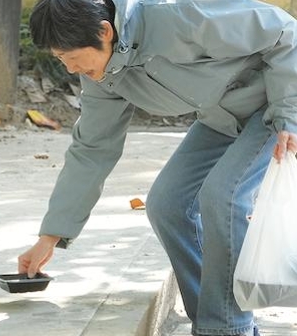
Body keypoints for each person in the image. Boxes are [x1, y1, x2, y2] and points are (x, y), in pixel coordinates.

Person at [17, 0, 297, 335]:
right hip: (222, 116)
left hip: (277, 103)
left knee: (224, 196)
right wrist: (51, 235)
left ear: (104, 32)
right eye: (60, 60)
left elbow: (283, 32)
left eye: (71, 57)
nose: (70, 69)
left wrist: (289, 115)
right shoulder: (103, 77)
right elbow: (91, 150)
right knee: (168, 204)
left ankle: (229, 329)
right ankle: (213, 320)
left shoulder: (174, 16)